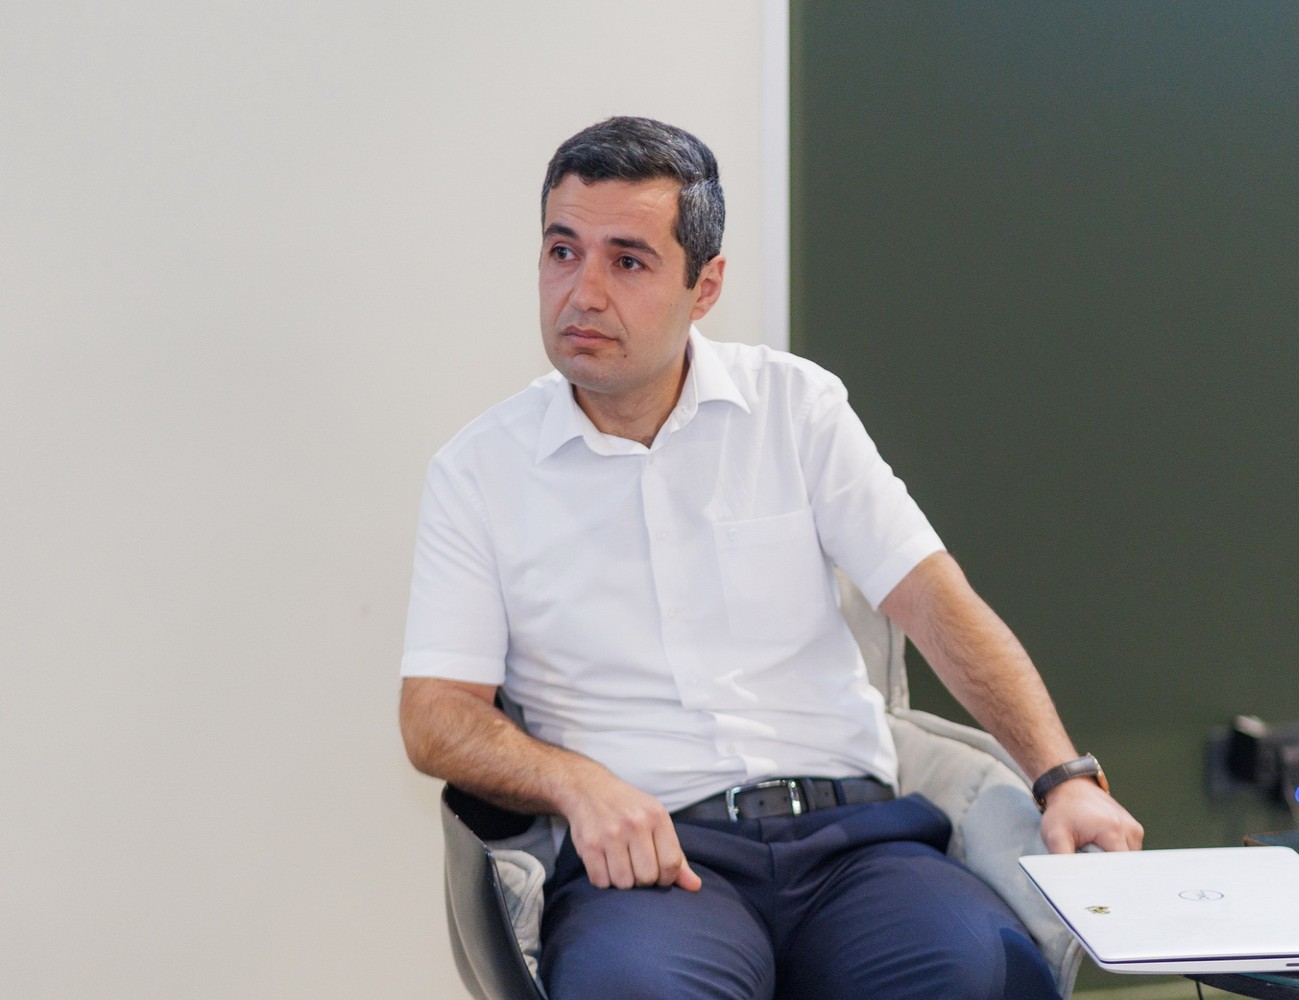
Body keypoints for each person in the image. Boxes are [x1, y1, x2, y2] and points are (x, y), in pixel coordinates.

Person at [399, 116, 1143, 1000]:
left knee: (981, 974)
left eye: (627, 262)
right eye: (563, 252)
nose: (583, 293)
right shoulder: (479, 471)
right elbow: (435, 715)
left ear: (705, 285)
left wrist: (1063, 778)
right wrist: (577, 785)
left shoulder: (796, 408)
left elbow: (935, 603)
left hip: (857, 844)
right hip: (651, 863)